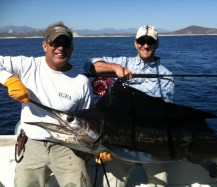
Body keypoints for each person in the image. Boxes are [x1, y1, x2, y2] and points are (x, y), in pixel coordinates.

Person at [0, 22, 93, 187]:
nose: (60, 48)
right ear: (45, 45)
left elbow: (86, 123)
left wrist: (97, 148)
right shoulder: (28, 65)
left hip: (67, 146)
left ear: (72, 48)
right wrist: (9, 79)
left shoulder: (82, 82)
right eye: (55, 43)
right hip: (31, 142)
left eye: (65, 44)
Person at [84, 25, 175, 186]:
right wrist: (114, 68)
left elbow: (165, 110)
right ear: (135, 43)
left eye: (150, 41)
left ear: (156, 44)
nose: (145, 45)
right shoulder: (123, 62)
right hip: (120, 138)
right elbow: (89, 65)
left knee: (160, 181)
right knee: (113, 181)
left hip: (151, 138)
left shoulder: (166, 74)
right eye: (142, 41)